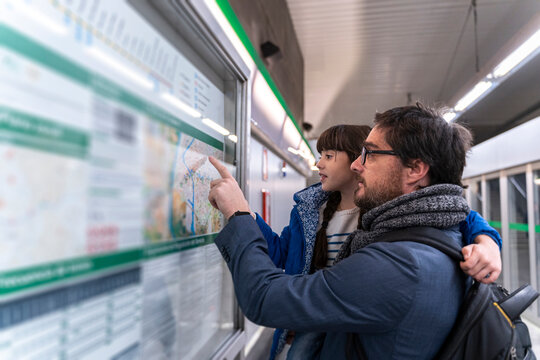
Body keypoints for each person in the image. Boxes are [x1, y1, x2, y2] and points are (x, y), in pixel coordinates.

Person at [207, 103, 495, 358]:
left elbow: (265, 299)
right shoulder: (425, 229)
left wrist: (489, 242)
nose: (358, 165)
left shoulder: (399, 263)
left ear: (415, 169)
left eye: (368, 154)